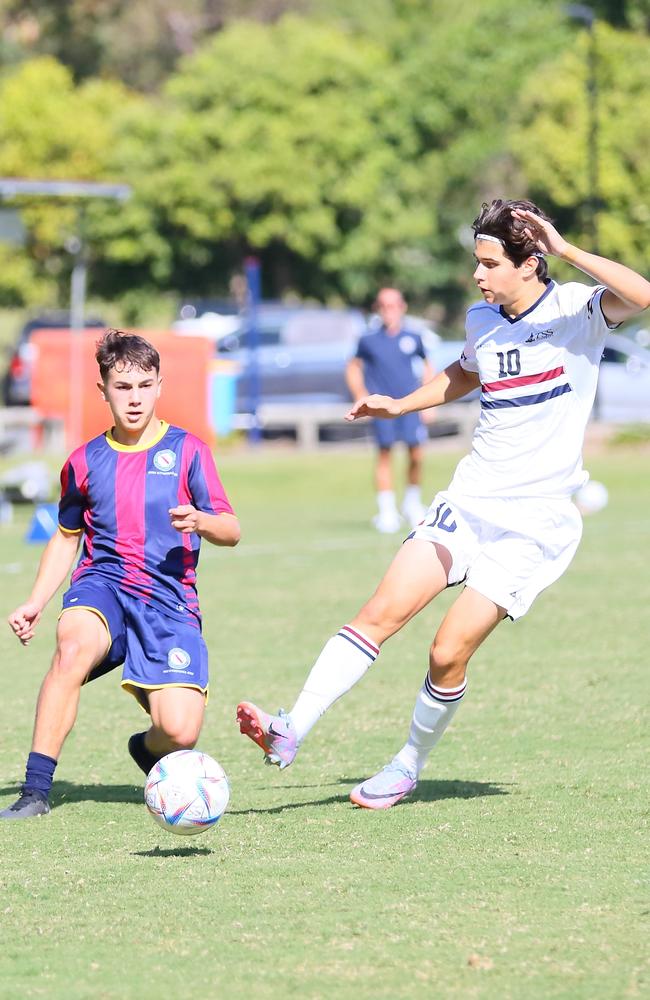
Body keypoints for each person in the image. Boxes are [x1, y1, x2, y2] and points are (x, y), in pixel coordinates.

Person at [236, 198, 650, 809]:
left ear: (530, 262)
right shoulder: (481, 319)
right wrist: (400, 404)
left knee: (446, 651)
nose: (479, 275)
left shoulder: (577, 310)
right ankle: (290, 728)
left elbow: (642, 296)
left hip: (533, 523)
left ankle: (408, 764)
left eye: (490, 264)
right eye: (476, 263)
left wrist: (565, 250)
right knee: (380, 611)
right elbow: (467, 372)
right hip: (471, 498)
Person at [1, 329, 240, 820]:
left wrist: (202, 521)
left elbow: (231, 529)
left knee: (179, 732)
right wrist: (36, 601)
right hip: (103, 585)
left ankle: (147, 749)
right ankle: (35, 791)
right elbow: (67, 535)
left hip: (169, 601)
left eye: (144, 385)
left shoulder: (189, 451)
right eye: (123, 386)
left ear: (159, 386)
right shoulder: (84, 461)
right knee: (72, 648)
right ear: (103, 390)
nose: (134, 398)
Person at [346, 287, 435, 533]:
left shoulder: (413, 337)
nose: (389, 311)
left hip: (409, 405)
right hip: (382, 409)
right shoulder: (368, 340)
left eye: (393, 305)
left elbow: (428, 366)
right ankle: (387, 511)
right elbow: (353, 367)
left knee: (416, 453)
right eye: (384, 306)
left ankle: (412, 503)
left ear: (402, 307)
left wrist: (428, 402)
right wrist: (360, 396)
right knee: (384, 453)